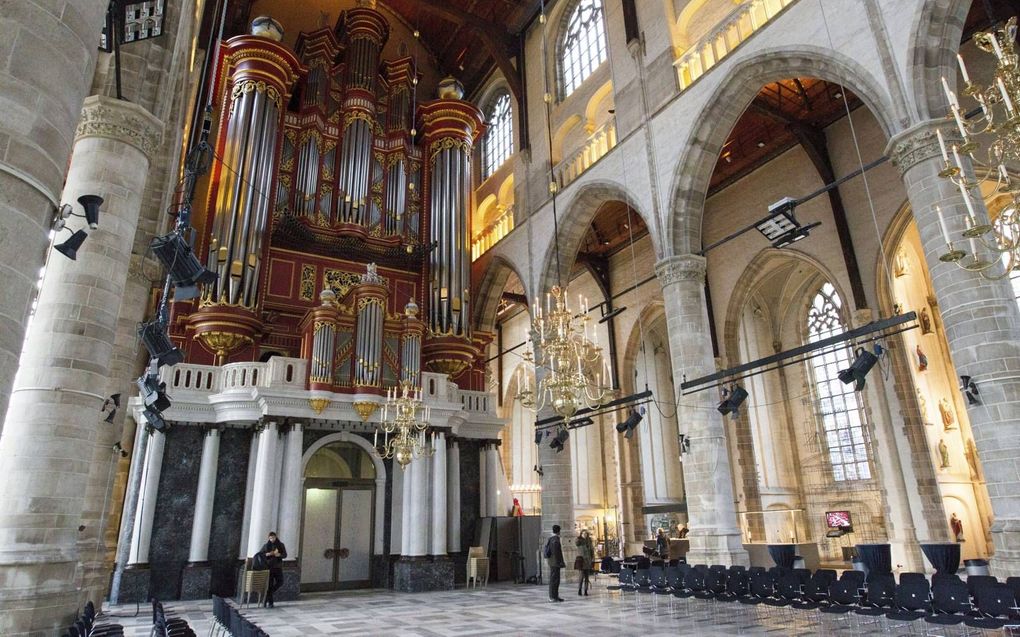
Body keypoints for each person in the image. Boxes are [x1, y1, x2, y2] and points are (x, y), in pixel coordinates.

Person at [259, 531, 287, 608]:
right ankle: (270, 602)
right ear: (269, 538)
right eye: (270, 538)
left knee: (280, 582)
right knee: (270, 585)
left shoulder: (281, 545)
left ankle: (266, 597)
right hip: (269, 567)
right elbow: (260, 554)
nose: (272, 539)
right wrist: (268, 554)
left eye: (273, 537)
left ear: (276, 537)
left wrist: (279, 555)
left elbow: (285, 555)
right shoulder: (266, 546)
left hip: (278, 566)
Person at [544, 524, 565, 602]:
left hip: (552, 562)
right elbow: (557, 553)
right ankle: (553, 596)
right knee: (555, 580)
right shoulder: (555, 540)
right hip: (555, 563)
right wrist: (560, 562)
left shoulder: (551, 538)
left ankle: (555, 596)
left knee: (554, 579)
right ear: (559, 531)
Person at [575, 529, 594, 596]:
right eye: (583, 534)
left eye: (586, 534)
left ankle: (586, 590)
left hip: (588, 561)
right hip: (582, 561)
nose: (585, 535)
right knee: (581, 577)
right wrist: (579, 538)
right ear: (581, 534)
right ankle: (579, 590)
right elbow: (576, 543)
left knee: (587, 577)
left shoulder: (589, 541)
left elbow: (592, 550)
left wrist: (592, 559)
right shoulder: (579, 540)